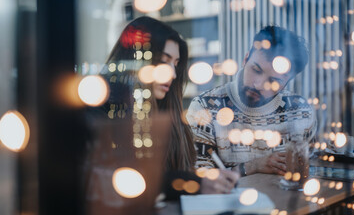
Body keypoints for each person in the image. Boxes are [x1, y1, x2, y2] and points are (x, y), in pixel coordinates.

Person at [85, 16, 239, 210]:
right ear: (135, 60)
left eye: (175, 64)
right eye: (163, 61)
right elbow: (117, 182)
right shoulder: (101, 109)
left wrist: (199, 179)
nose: (173, 74)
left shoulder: (162, 112)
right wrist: (191, 183)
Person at [186, 26, 317, 177]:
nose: (259, 85)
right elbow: (198, 178)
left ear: (288, 81)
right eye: (256, 70)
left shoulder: (300, 111)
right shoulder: (204, 108)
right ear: (245, 59)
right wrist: (252, 166)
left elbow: (312, 169)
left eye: (274, 80)